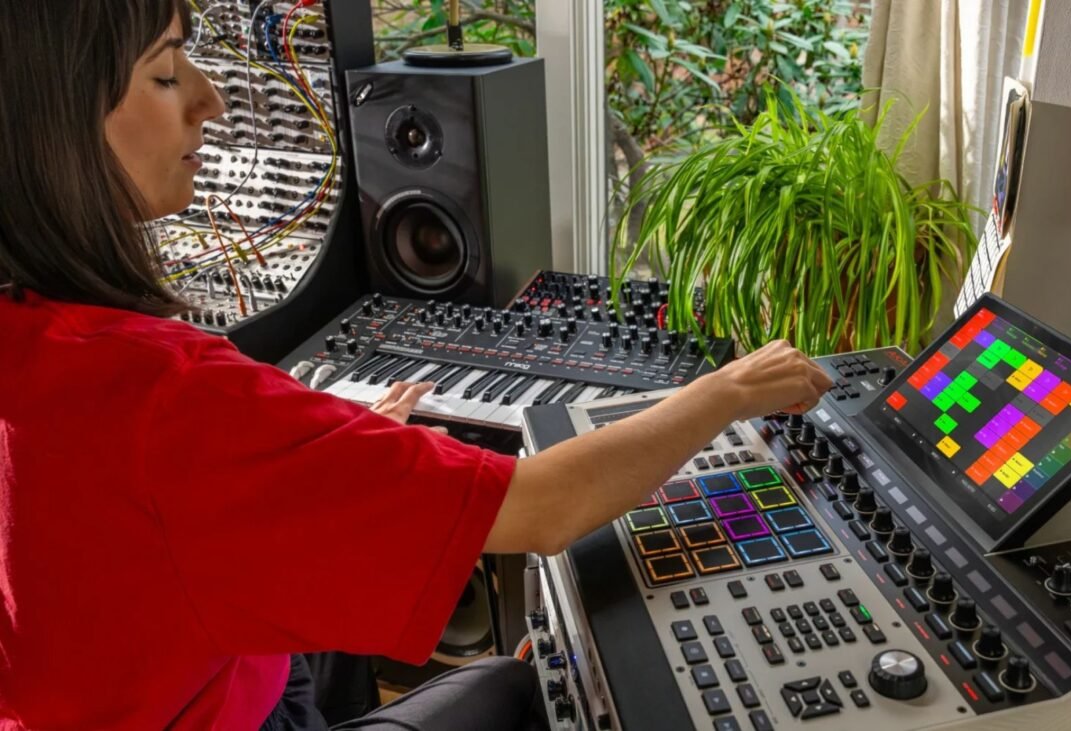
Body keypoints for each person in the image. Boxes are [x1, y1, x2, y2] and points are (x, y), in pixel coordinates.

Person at [0, 1, 834, 729]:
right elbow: (544, 507)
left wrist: (321, 461)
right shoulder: (173, 398)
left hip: (150, 684)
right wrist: (727, 389)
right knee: (524, 677)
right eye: (166, 72)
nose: (212, 101)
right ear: (57, 118)